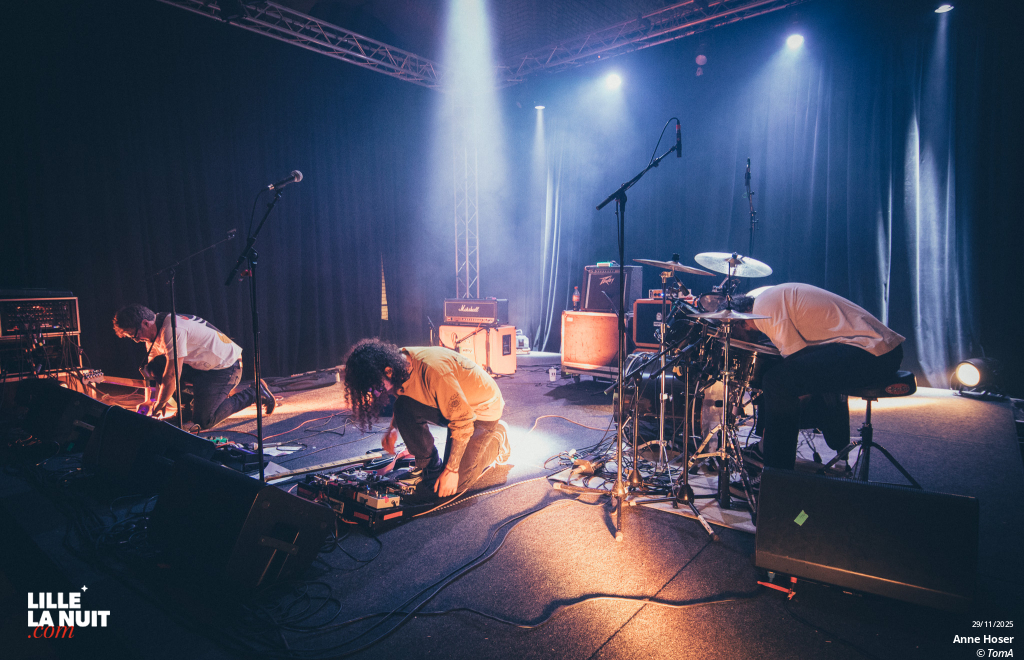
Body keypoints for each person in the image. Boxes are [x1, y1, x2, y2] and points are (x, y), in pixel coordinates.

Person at [731, 283, 905, 471]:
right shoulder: (769, 298)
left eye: (733, 333)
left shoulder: (763, 309)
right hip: (880, 350)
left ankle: (776, 476)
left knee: (778, 382)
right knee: (782, 379)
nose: (736, 338)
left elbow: (795, 363)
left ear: (739, 321)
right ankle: (769, 456)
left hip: (876, 353)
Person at [343, 339, 509, 499]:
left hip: (482, 410)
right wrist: (393, 427)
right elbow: (404, 400)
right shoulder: (396, 365)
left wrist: (451, 470)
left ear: (388, 371)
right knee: (402, 406)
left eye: (376, 387)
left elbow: (463, 422)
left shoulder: (434, 372)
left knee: (456, 485)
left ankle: (498, 440)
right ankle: (430, 466)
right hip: (453, 406)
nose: (377, 393)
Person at [113, 303, 275, 430]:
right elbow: (153, 373)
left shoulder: (171, 329)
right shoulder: (152, 335)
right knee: (153, 366)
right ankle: (185, 412)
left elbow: (171, 375)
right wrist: (150, 401)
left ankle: (253, 393)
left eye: (134, 335)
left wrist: (159, 405)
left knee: (204, 420)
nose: (136, 340)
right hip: (201, 368)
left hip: (226, 367)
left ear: (145, 323)